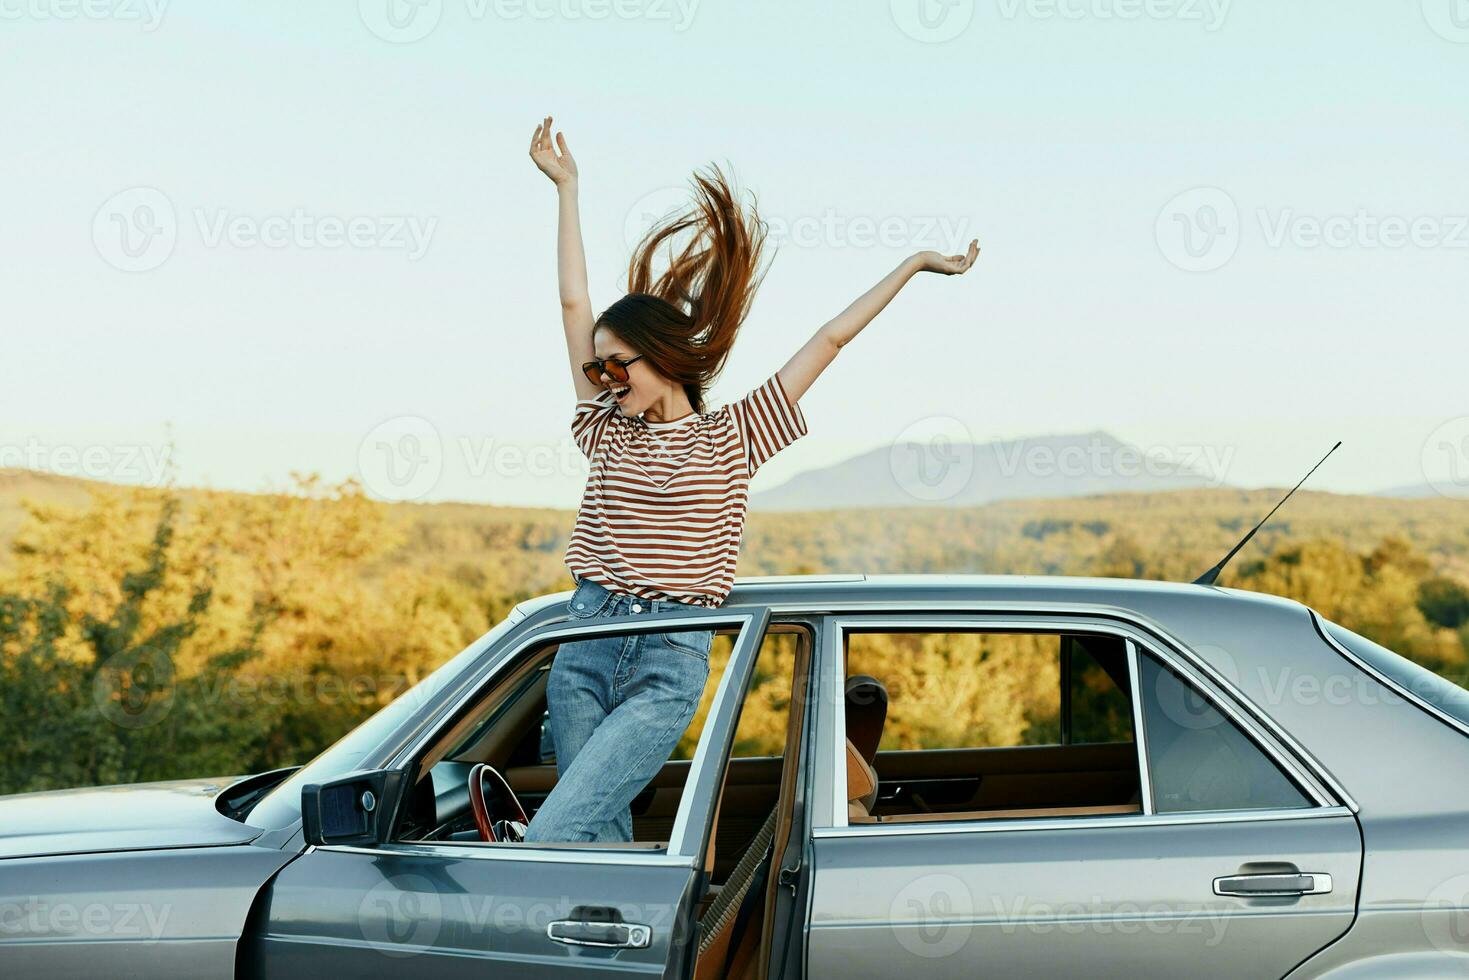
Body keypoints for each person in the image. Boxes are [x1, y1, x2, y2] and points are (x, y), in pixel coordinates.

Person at [520, 114, 980, 844]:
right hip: (587, 639)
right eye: (595, 368)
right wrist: (566, 188)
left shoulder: (733, 436)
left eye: (617, 365)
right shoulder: (602, 426)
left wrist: (916, 264)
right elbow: (573, 303)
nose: (604, 379)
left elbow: (828, 338)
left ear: (662, 358)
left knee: (554, 835)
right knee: (591, 838)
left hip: (669, 657)